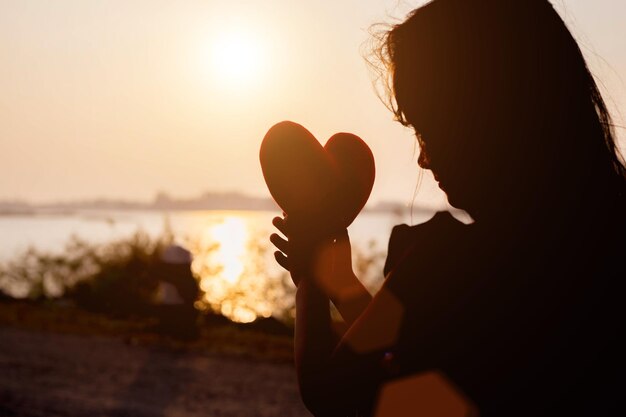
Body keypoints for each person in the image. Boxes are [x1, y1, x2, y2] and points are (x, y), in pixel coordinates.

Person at [269, 1, 626, 416]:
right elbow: (417, 352)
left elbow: (331, 393)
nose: (423, 158)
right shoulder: (602, 245)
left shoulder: (450, 263)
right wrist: (341, 282)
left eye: (426, 127)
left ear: (479, 117)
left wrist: (311, 276)